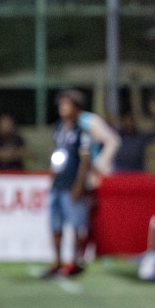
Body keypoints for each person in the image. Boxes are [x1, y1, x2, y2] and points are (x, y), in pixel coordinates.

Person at [45, 90, 94, 278]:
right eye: (61, 105)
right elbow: (54, 152)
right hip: (58, 184)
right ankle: (57, 260)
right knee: (55, 224)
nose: (63, 109)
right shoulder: (58, 129)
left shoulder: (82, 132)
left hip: (71, 185)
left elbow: (85, 160)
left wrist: (79, 185)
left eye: (67, 105)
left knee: (75, 225)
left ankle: (73, 261)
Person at [112, 94, 155, 172]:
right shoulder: (115, 137)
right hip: (119, 173)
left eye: (131, 120)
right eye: (126, 120)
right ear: (122, 121)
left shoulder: (140, 137)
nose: (129, 123)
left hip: (138, 173)